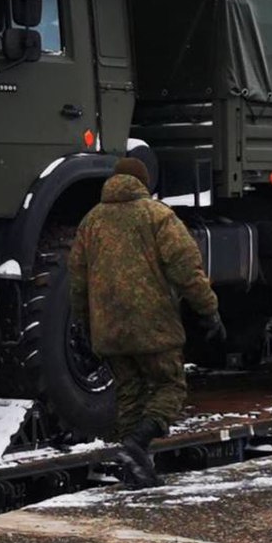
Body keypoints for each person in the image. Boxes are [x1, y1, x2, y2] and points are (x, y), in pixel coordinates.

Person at [68, 156, 224, 487]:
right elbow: (187, 270)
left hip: (108, 329)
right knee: (170, 385)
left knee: (129, 391)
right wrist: (209, 311)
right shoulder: (158, 216)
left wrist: (84, 324)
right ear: (144, 182)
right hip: (153, 324)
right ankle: (137, 445)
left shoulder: (91, 222)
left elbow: (77, 280)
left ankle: (133, 469)